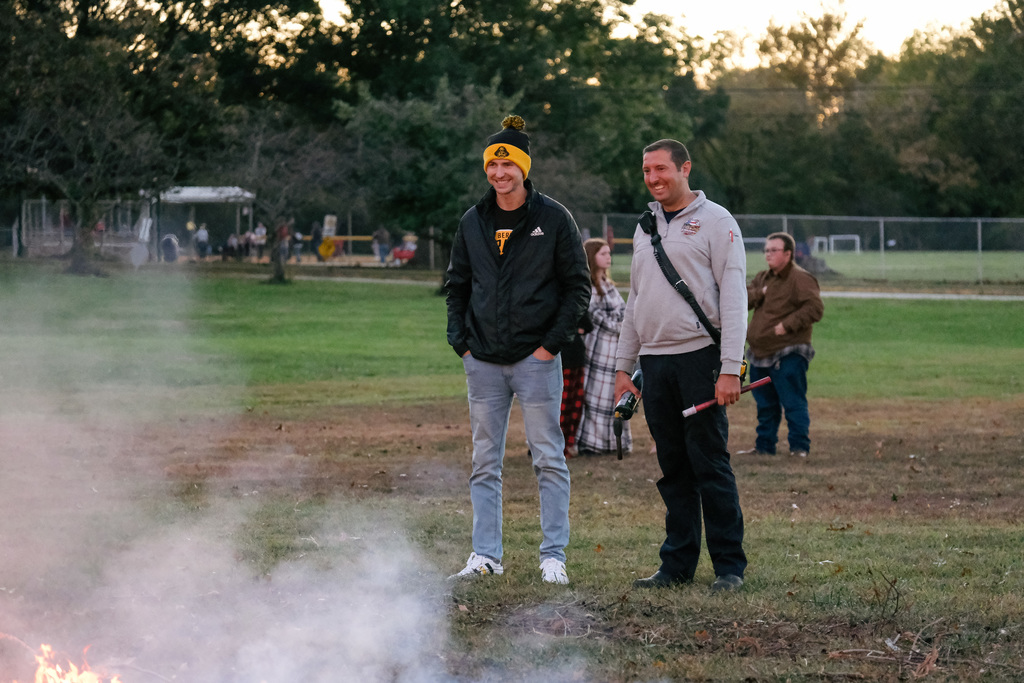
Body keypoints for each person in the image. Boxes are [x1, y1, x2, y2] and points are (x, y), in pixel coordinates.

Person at [445, 115, 590, 585]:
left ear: (524, 168)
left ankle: (554, 556)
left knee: (548, 456)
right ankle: (485, 555)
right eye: (493, 164)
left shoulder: (553, 218)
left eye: (508, 164)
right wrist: (461, 343)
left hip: (536, 360)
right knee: (484, 462)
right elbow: (457, 286)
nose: (500, 172)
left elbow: (577, 287)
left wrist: (551, 347)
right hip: (482, 362)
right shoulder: (473, 220)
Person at [615, 139, 748, 593]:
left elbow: (734, 296)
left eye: (661, 169)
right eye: (647, 170)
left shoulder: (717, 222)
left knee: (709, 463)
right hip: (654, 364)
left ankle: (729, 567)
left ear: (685, 168)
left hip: (700, 361)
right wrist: (622, 365)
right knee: (673, 467)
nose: (653, 178)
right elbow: (635, 299)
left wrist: (730, 366)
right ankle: (676, 566)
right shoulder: (644, 225)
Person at [741, 231, 824, 458]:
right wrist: (760, 293)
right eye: (766, 250)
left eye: (774, 250)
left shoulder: (800, 279)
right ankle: (764, 447)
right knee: (765, 405)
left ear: (788, 254)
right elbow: (742, 300)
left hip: (789, 352)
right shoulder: (763, 278)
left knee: (792, 401)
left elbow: (815, 308)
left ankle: (799, 448)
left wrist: (787, 325)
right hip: (760, 353)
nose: (768, 255)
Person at [577, 238, 630, 456]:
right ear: (592, 257)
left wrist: (623, 325)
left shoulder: (610, 287)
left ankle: (614, 441)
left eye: (609, 253)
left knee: (614, 395)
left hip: (615, 350)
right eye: (603, 253)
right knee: (595, 395)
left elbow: (625, 312)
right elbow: (595, 317)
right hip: (596, 348)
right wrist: (619, 325)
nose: (608, 257)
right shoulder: (587, 288)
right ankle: (592, 442)